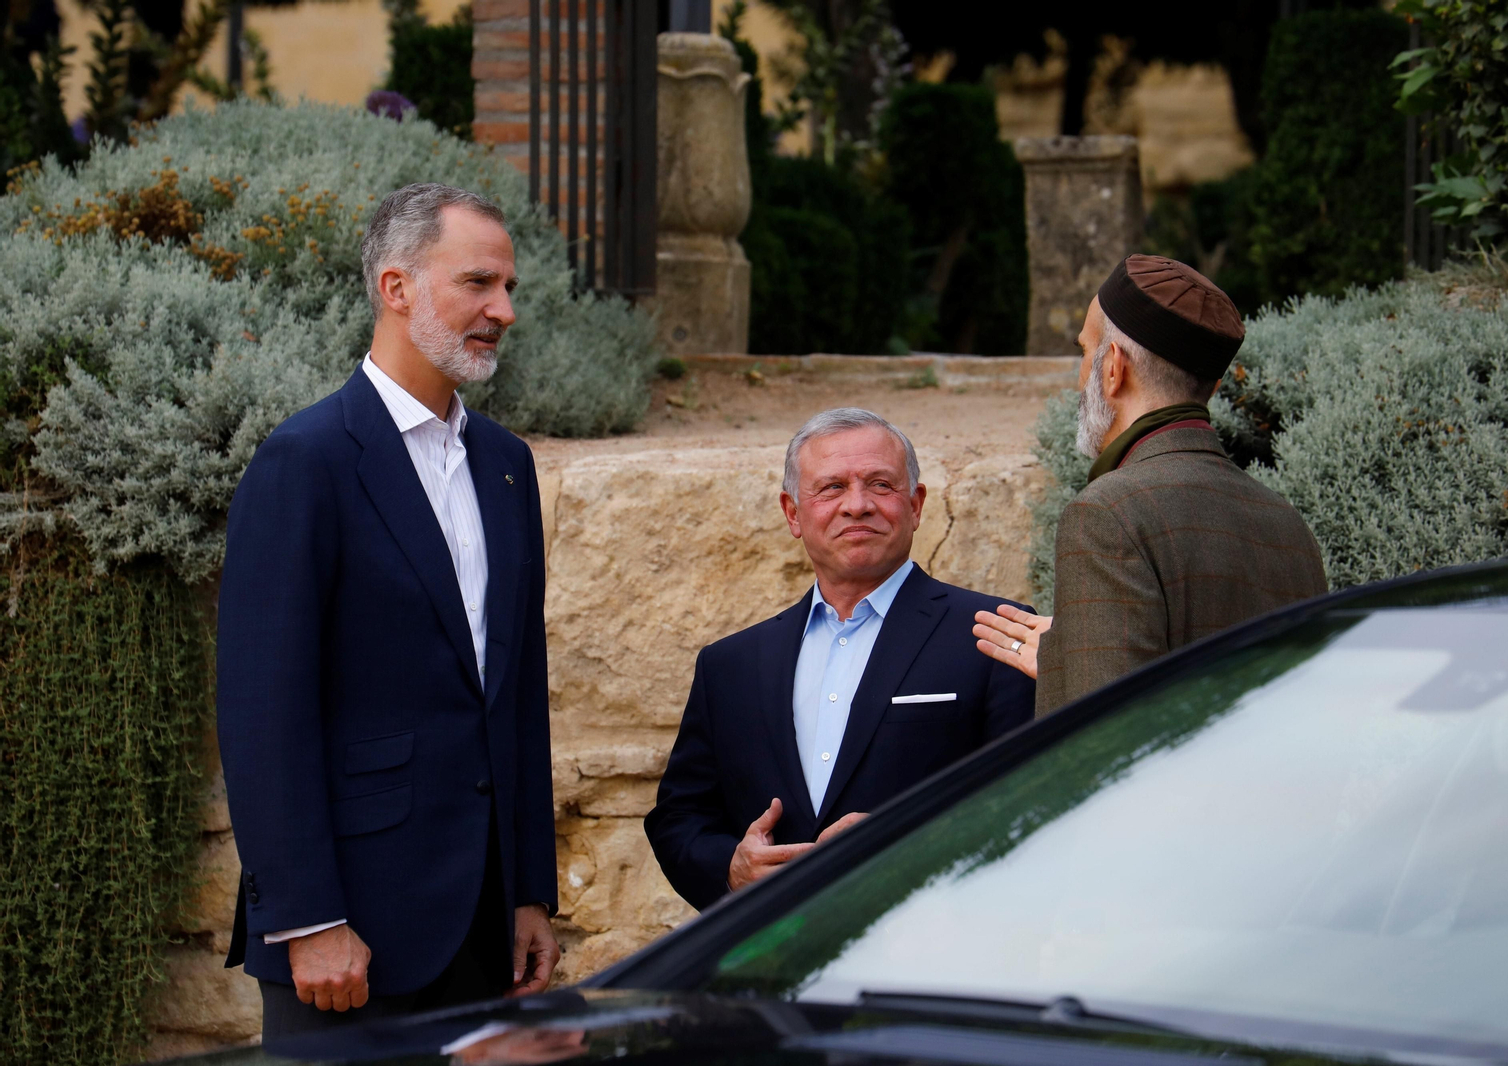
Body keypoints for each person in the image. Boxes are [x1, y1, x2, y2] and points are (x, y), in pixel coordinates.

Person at [216, 183, 559, 1041]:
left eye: (509, 288)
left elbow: (514, 696)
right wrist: (306, 919)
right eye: (478, 283)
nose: (503, 310)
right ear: (396, 288)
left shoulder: (507, 467)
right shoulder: (306, 461)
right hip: (347, 941)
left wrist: (527, 891)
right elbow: (263, 714)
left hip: (485, 931)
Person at [646, 408, 1036, 910]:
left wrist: (913, 846)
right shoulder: (730, 665)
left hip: (932, 948)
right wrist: (731, 868)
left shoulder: (995, 633)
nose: (857, 505)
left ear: (916, 506)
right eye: (831, 488)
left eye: (880, 485)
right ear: (792, 513)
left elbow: (1032, 801)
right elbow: (680, 819)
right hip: (772, 959)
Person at [973, 254, 1327, 714]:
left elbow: (1107, 739)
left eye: (1084, 352)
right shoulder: (1287, 521)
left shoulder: (1106, 515)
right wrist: (1073, 653)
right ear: (1215, 387)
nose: (1080, 377)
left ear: (1113, 367)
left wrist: (1081, 670)